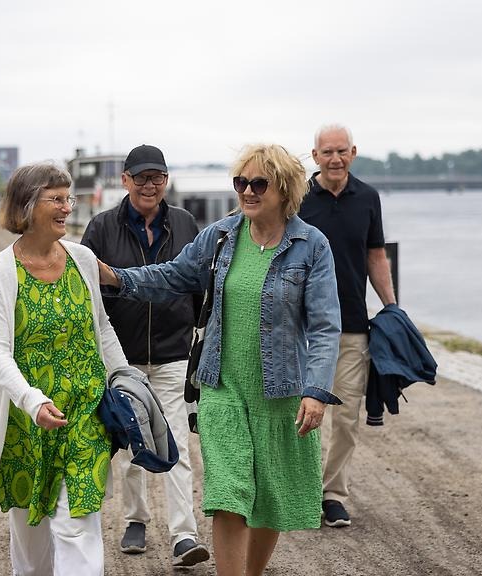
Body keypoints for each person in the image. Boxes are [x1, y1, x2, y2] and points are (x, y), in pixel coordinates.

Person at [99, 143, 342, 576]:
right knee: (228, 493)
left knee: (269, 497)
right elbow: (173, 275)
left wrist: (316, 391)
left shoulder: (312, 246)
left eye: (258, 183)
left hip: (280, 393)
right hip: (221, 387)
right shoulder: (223, 235)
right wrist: (115, 276)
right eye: (240, 182)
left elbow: (325, 326)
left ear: (284, 189)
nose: (246, 191)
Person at [0, 162, 130, 576]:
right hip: (27, 421)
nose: (67, 207)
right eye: (57, 199)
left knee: (77, 526)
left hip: (86, 415)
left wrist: (124, 377)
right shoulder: (1, 269)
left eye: (69, 199)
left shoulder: (82, 258)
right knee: (30, 543)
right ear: (28, 206)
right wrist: (32, 401)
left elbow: (102, 328)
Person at [80, 144, 209, 567]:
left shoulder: (187, 224)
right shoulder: (101, 228)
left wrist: (198, 334)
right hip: (122, 354)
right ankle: (135, 519)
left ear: (166, 180)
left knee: (176, 441)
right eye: (140, 177)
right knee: (133, 440)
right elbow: (87, 294)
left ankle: (184, 535)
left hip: (173, 351)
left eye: (157, 177)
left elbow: (200, 285)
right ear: (125, 180)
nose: (149, 185)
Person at [298, 123, 397, 528]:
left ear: (353, 153)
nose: (335, 159)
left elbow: (376, 256)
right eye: (327, 152)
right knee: (301, 412)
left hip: (353, 324)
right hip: (302, 327)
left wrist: (392, 309)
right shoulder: (299, 198)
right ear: (315, 155)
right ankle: (301, 490)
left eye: (342, 151)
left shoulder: (368, 198)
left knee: (346, 416)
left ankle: (333, 494)